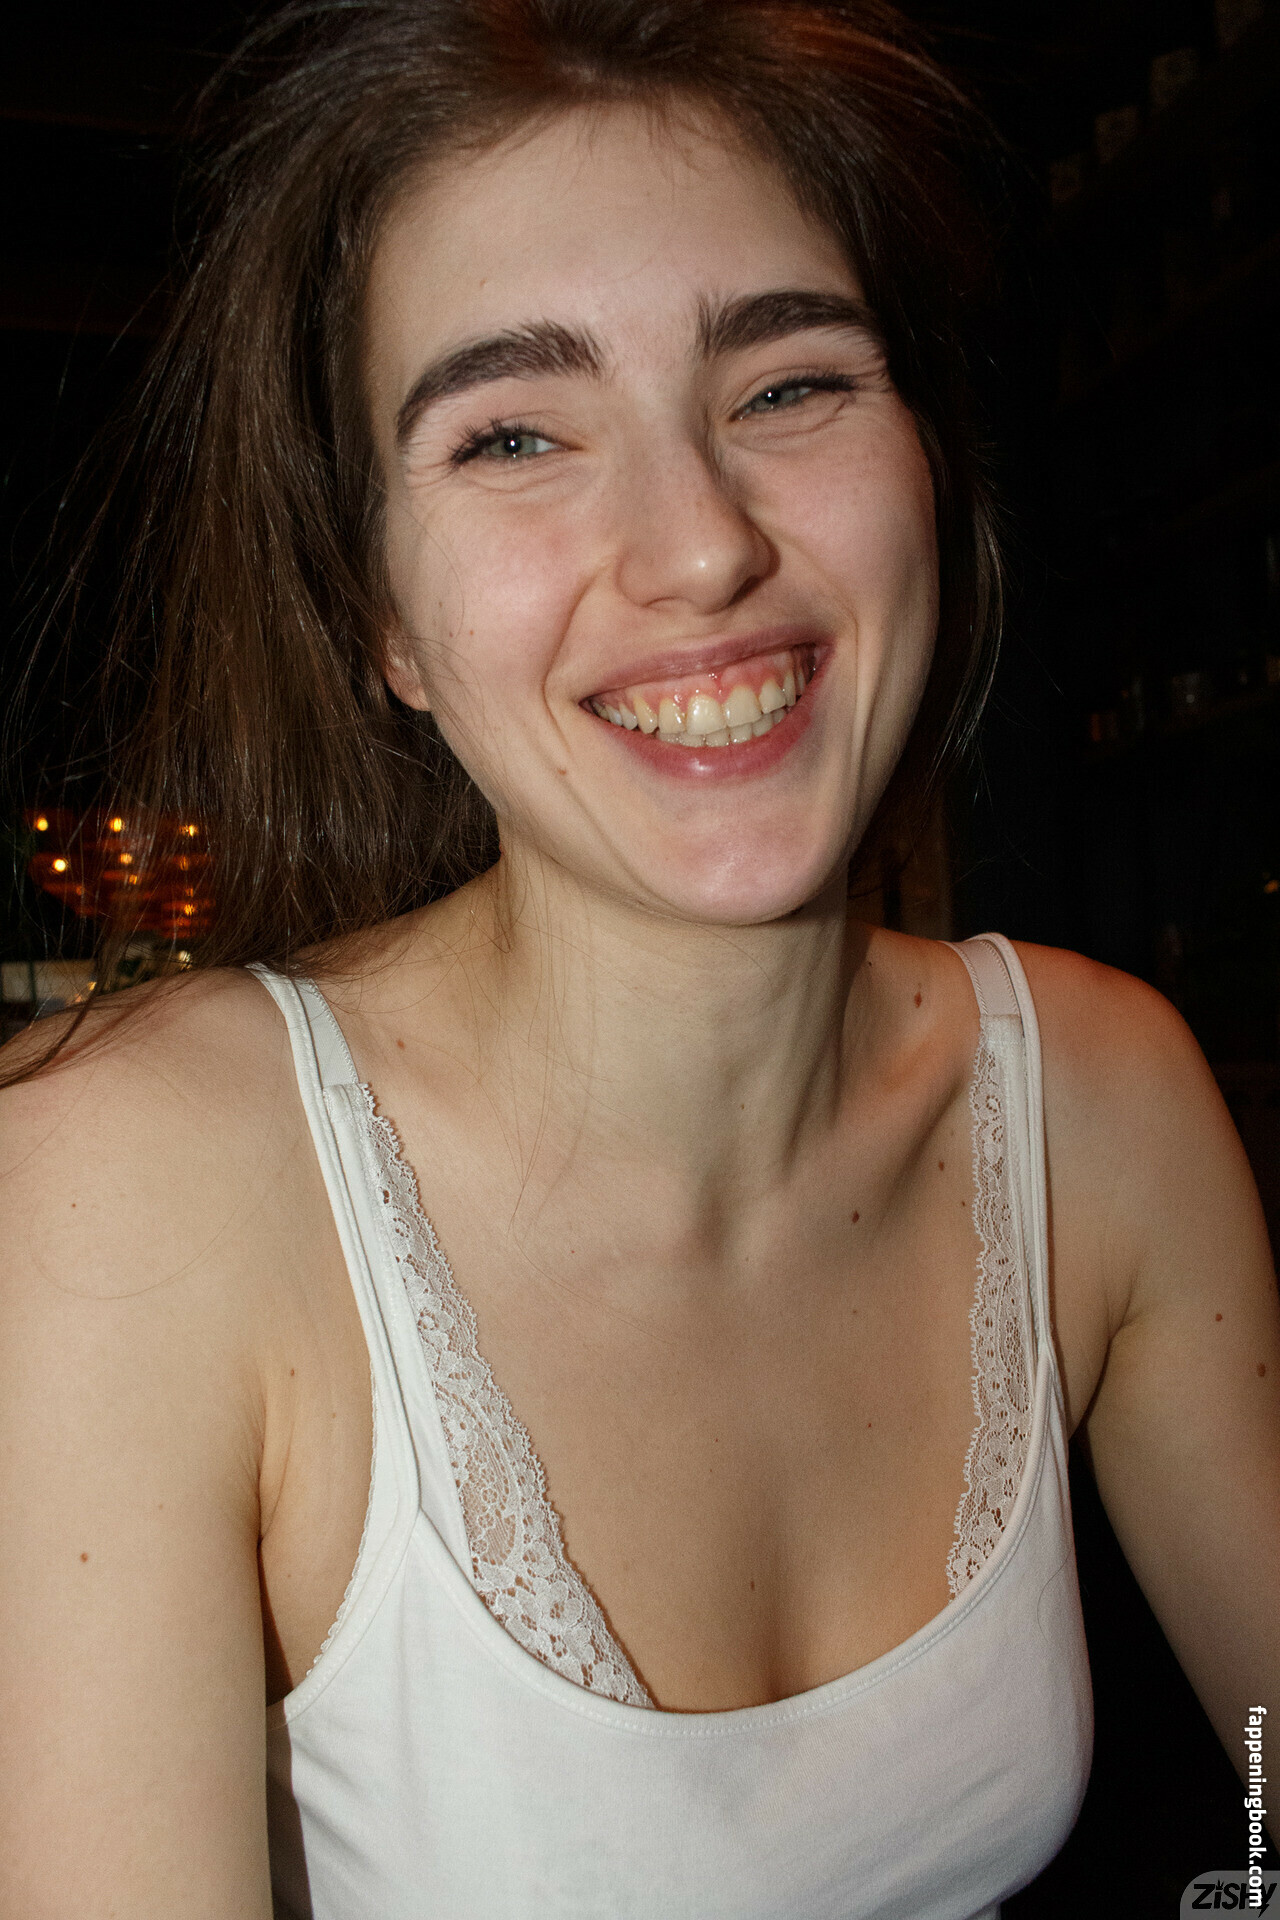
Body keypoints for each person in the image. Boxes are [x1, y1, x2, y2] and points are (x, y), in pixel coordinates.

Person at [2, 2, 1277, 1914]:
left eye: (790, 385)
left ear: (931, 470)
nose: (697, 548)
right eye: (513, 434)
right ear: (382, 620)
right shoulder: (125, 1189)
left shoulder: (1104, 1101)